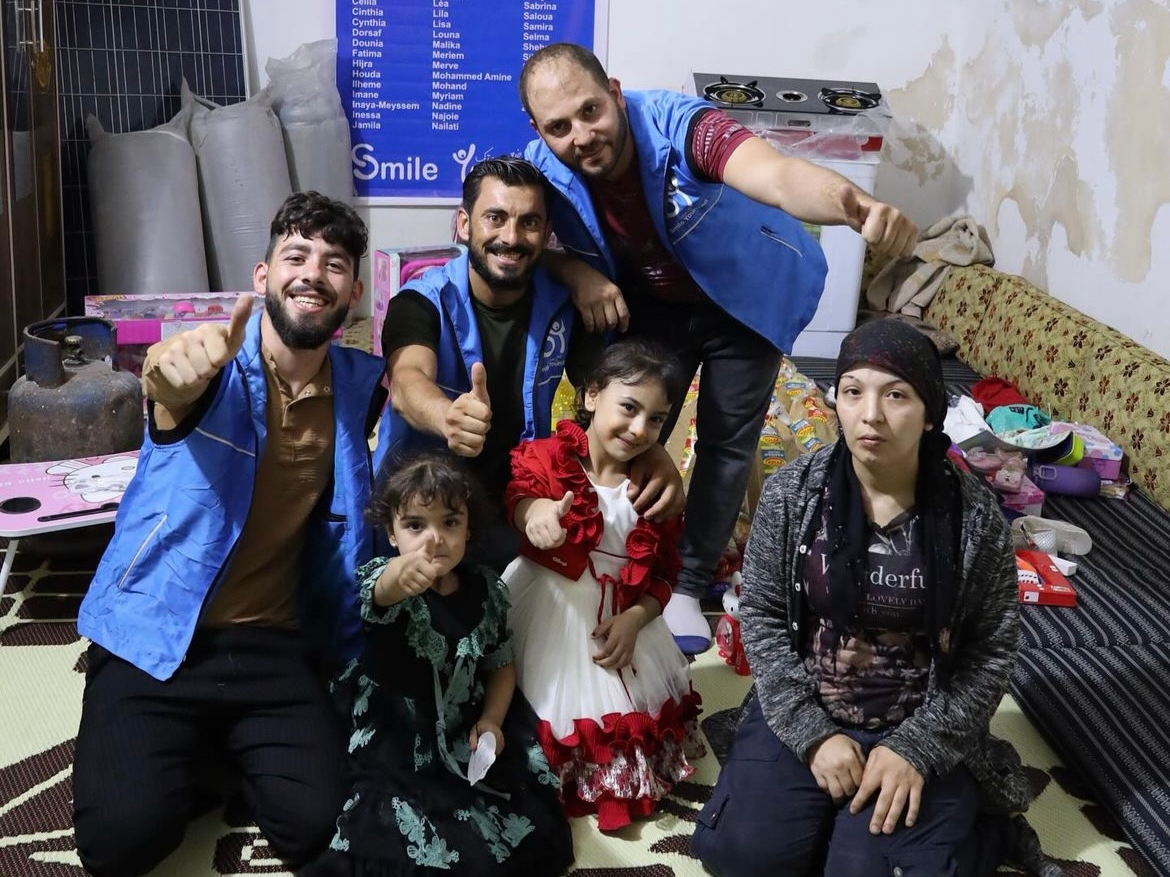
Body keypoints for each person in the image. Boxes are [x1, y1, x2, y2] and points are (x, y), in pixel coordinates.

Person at [519, 43, 919, 654]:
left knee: (727, 438)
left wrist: (853, 205)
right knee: (630, 421)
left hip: (746, 293)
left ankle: (685, 584)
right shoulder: (540, 169)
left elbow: (775, 174)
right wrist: (576, 274)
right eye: (558, 127)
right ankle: (618, 552)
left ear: (616, 93)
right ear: (538, 130)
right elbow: (514, 238)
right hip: (654, 301)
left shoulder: (680, 126)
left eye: (591, 111)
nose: (581, 136)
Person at [72, 192, 387, 877]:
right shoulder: (213, 366)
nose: (313, 274)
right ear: (262, 275)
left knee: (321, 827)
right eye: (296, 256)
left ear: (354, 293)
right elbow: (169, 380)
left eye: (334, 264)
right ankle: (170, 741)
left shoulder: (359, 388)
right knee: (120, 840)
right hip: (158, 635)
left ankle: (208, 750)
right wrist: (168, 369)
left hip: (271, 642)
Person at [691, 319, 1040, 877]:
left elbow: (991, 649)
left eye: (896, 395)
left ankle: (986, 832)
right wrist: (811, 734)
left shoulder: (972, 518)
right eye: (853, 391)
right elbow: (762, 614)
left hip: (918, 719)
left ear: (930, 414)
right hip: (810, 703)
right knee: (740, 855)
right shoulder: (795, 494)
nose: (870, 414)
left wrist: (918, 748)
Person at [374, 155, 683, 573]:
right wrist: (448, 417)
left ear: (547, 232)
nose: (511, 237)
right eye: (495, 218)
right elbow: (408, 382)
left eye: (529, 223)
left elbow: (612, 390)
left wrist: (651, 452)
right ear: (464, 224)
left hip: (518, 507)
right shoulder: (420, 301)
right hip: (420, 513)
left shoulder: (565, 304)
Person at [303, 451, 574, 877]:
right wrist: (400, 576)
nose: (434, 539)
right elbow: (382, 592)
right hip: (399, 729)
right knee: (400, 831)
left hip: (463, 720)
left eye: (449, 523)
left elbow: (501, 664)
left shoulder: (487, 588)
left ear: (469, 528)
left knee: (521, 813)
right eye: (415, 525)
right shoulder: (384, 576)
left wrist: (492, 720)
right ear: (392, 533)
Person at [502, 339, 704, 831]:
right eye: (629, 408)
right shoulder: (549, 457)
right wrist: (536, 514)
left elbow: (664, 574)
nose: (639, 429)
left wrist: (636, 618)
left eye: (656, 419)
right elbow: (521, 498)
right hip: (549, 615)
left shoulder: (655, 489)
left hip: (621, 625)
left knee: (622, 727)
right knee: (537, 715)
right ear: (591, 395)